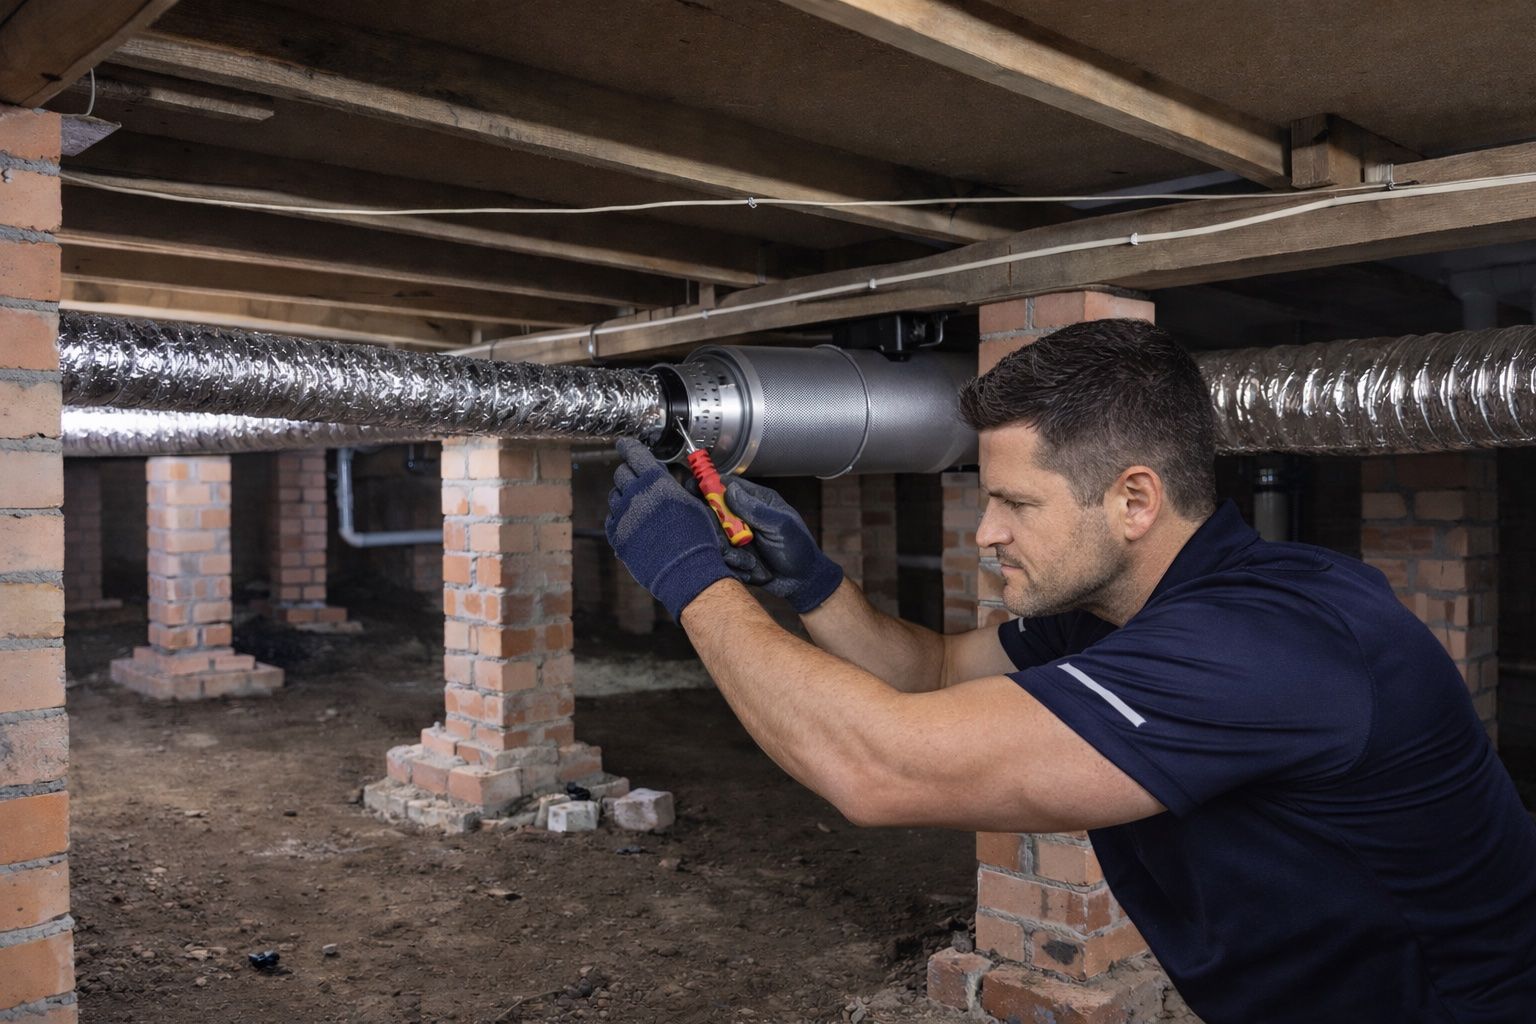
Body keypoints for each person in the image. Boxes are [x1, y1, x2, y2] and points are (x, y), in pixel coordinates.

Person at [603, 318, 1536, 1023]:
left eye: (1014, 501)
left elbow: (879, 766)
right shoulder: (1117, 613)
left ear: (1134, 499)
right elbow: (929, 669)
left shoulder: (1263, 644)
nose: (986, 533)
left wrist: (693, 581)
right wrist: (811, 584)